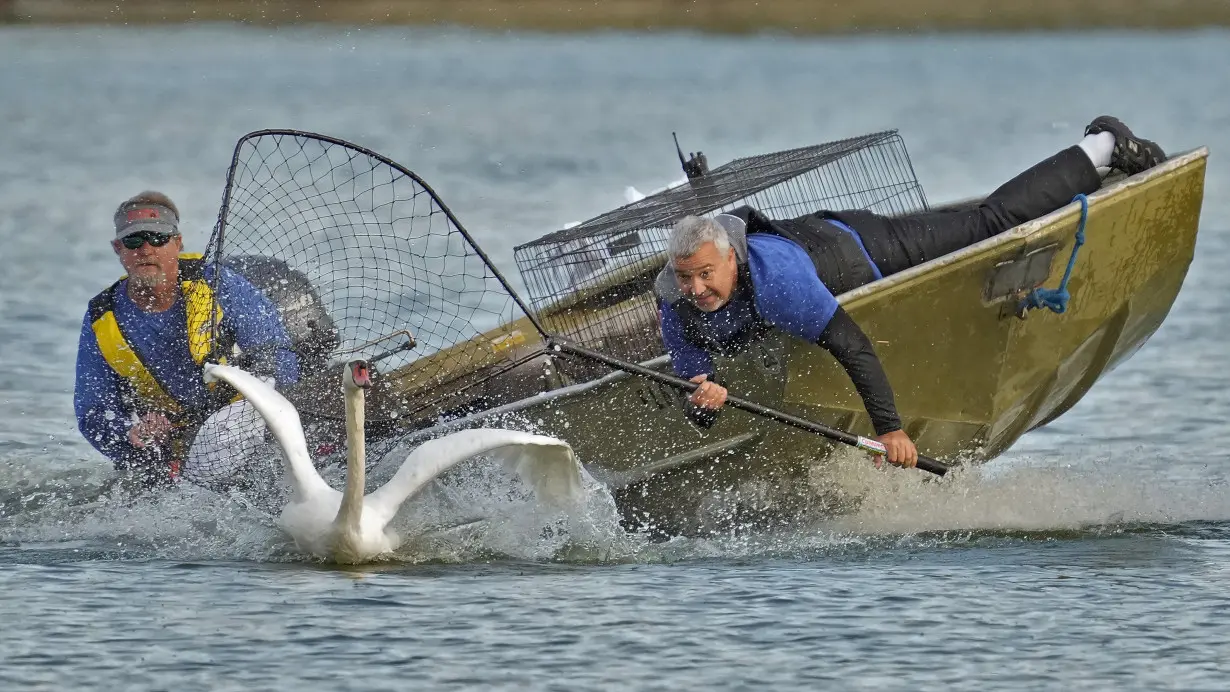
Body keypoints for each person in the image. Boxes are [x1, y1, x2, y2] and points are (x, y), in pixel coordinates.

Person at [655, 115, 1167, 468]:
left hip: (864, 247)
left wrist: (891, 431)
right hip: (824, 239)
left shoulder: (777, 280)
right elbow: (697, 409)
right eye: (685, 278)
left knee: (986, 224)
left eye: (706, 274)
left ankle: (1102, 145)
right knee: (965, 222)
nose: (697, 289)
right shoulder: (675, 306)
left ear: (729, 258)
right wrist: (706, 399)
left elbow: (852, 345)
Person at [74, 191, 300, 488]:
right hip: (171, 446)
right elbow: (93, 413)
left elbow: (279, 356)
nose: (146, 249)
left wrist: (255, 411)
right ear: (118, 248)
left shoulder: (217, 283)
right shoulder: (101, 317)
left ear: (177, 243)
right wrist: (129, 435)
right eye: (133, 240)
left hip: (242, 422)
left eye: (158, 239)